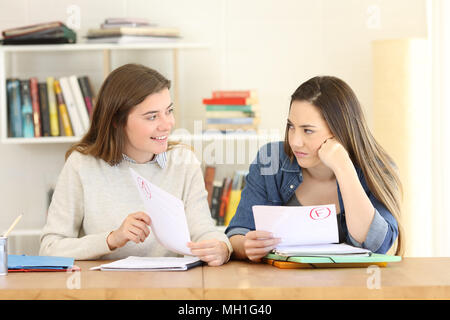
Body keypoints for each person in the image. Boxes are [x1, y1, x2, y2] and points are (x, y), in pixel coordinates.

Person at [40, 63, 232, 266]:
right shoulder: (81, 164)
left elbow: (203, 231)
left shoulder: (184, 162)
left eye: (169, 111)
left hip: (171, 291)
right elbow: (50, 247)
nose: (167, 124)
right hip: (103, 292)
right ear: (117, 120)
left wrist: (222, 248)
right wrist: (112, 239)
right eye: (152, 116)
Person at [226, 76, 403, 262]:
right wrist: (246, 246)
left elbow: (376, 245)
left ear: (338, 131)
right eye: (291, 127)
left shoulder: (379, 169)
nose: (295, 141)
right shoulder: (271, 160)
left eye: (308, 130)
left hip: (352, 287)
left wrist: (343, 167)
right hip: (283, 286)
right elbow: (238, 231)